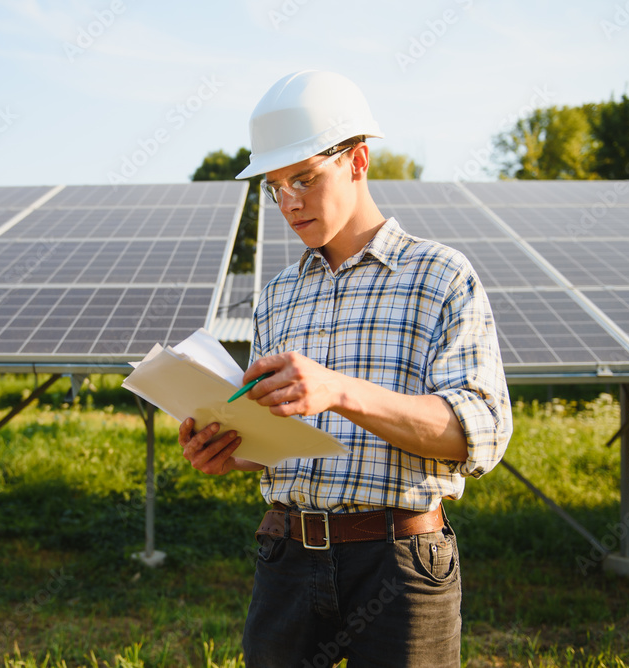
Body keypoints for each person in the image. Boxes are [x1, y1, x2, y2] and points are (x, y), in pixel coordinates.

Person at [179, 70, 512, 667]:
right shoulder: (278, 295)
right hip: (285, 555)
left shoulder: (440, 277)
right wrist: (232, 449)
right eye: (275, 186)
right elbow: (282, 444)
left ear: (358, 160)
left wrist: (339, 391)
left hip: (400, 564)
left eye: (303, 178)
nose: (289, 202)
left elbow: (479, 435)